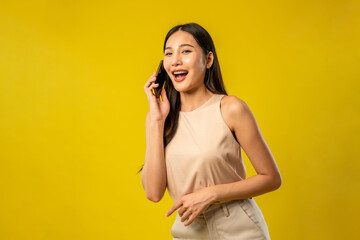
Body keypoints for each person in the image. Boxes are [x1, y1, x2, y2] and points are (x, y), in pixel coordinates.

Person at [140, 22, 282, 240]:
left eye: (185, 51)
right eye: (169, 54)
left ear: (208, 60)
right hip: (189, 231)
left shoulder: (230, 108)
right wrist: (157, 121)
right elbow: (153, 193)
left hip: (239, 229)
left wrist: (211, 194)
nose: (176, 60)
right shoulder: (158, 118)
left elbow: (271, 178)